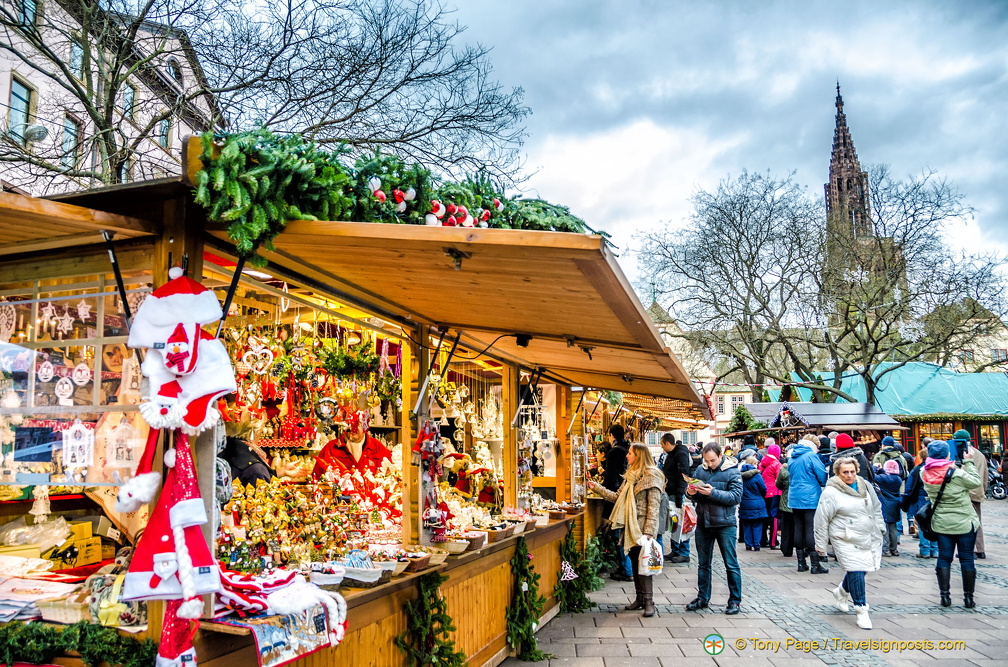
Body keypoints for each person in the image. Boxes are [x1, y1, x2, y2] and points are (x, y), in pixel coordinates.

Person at [587, 443, 664, 617]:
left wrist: (649, 531)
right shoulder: (630, 477)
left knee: (644, 564)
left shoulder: (652, 476)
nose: (627, 456)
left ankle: (649, 602)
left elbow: (654, 507)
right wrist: (597, 488)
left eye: (630, 453)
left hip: (642, 527)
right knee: (636, 562)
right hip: (630, 526)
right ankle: (640, 599)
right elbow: (616, 497)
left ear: (639, 456)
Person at [814, 457, 884, 630]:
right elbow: (821, 520)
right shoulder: (830, 492)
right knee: (856, 569)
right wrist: (821, 546)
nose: (849, 475)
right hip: (844, 537)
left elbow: (876, 507)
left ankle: (842, 591)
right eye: (845, 472)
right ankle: (861, 610)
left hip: (866, 534)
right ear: (838, 473)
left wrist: (880, 526)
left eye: (852, 471)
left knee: (861, 569)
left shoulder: (865, 485)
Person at [685, 442, 743, 615]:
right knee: (703, 564)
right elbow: (691, 494)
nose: (709, 464)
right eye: (706, 460)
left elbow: (736, 497)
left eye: (712, 461)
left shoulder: (732, 471)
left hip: (725, 523)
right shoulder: (701, 470)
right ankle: (703, 597)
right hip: (704, 522)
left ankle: (735, 601)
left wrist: (713, 492)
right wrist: (690, 492)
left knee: (731, 564)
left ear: (720, 456)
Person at [924, 439, 981, 608]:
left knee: (944, 558)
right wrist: (969, 462)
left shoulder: (924, 473)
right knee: (967, 559)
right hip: (964, 522)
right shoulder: (956, 474)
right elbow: (975, 482)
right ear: (947, 454)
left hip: (942, 523)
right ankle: (968, 598)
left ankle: (945, 597)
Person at [789, 435, 828, 574]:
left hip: (794, 496)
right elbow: (822, 474)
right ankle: (815, 564)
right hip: (810, 496)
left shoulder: (793, 456)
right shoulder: (811, 456)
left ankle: (801, 563)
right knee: (810, 528)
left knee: (799, 527)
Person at [601, 424, 632, 581]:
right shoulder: (627, 448)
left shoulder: (614, 452)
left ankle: (626, 569)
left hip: (616, 496)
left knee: (617, 532)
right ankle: (626, 567)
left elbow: (611, 475)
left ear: (611, 435)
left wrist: (602, 489)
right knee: (621, 533)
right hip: (622, 494)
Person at [952, 430, 988, 559]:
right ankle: (980, 549)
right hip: (977, 491)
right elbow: (985, 475)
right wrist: (983, 490)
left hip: (964, 492)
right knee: (977, 521)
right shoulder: (979, 454)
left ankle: (968, 549)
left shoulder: (959, 453)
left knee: (965, 522)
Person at [660, 433, 693, 563]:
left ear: (668, 443)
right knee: (674, 523)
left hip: (676, 494)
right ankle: (676, 550)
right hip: (671, 492)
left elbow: (683, 476)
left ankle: (684, 552)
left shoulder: (680, 454)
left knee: (680, 523)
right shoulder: (672, 454)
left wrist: (680, 495)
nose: (662, 448)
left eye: (662, 444)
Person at [902, 447, 937, 558]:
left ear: (921, 457)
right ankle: (935, 550)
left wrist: (905, 501)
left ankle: (925, 550)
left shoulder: (917, 470)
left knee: (923, 526)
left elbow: (909, 487)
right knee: (934, 525)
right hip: (935, 500)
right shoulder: (937, 469)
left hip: (920, 501)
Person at [874, 459, 903, 557]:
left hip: (885, 504)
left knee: (885, 528)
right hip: (895, 505)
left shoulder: (882, 478)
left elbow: (873, 476)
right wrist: (882, 470)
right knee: (893, 528)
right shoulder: (898, 479)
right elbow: (886, 476)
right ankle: (894, 549)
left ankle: (886, 549)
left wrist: (875, 467)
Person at [739, 456, 768, 551]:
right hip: (757, 503)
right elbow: (763, 489)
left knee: (747, 524)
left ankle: (748, 544)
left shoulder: (740, 476)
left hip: (745, 503)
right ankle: (756, 544)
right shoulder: (757, 475)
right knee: (757, 524)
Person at [758, 441, 782, 548]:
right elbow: (780, 480)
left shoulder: (762, 463)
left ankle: (763, 540)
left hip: (764, 493)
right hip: (774, 494)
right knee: (774, 518)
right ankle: (773, 542)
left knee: (764, 517)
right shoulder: (777, 464)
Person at [775, 446, 794, 557]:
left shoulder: (784, 470)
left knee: (786, 526)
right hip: (800, 502)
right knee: (799, 525)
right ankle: (802, 548)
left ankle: (786, 549)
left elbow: (779, 485)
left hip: (786, 501)